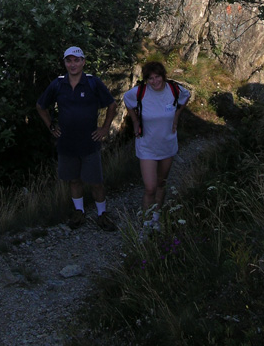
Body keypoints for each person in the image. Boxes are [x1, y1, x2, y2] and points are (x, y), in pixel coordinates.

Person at [36, 46, 117, 231]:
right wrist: (51, 126)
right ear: (64, 62)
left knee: (96, 182)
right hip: (67, 143)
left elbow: (112, 105)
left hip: (89, 142)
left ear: (83, 62)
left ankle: (102, 214)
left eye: (76, 60)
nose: (72, 64)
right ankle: (79, 212)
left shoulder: (92, 82)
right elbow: (41, 106)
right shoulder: (58, 84)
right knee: (73, 180)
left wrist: (105, 128)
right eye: (69, 60)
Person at [123, 61, 190, 230]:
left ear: (163, 76)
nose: (154, 81)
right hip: (147, 146)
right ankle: (146, 225)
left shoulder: (174, 90)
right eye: (150, 78)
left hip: (167, 145)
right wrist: (135, 121)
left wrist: (176, 116)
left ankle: (156, 218)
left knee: (161, 184)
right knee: (150, 187)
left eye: (157, 77)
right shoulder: (140, 92)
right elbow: (127, 100)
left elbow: (186, 97)